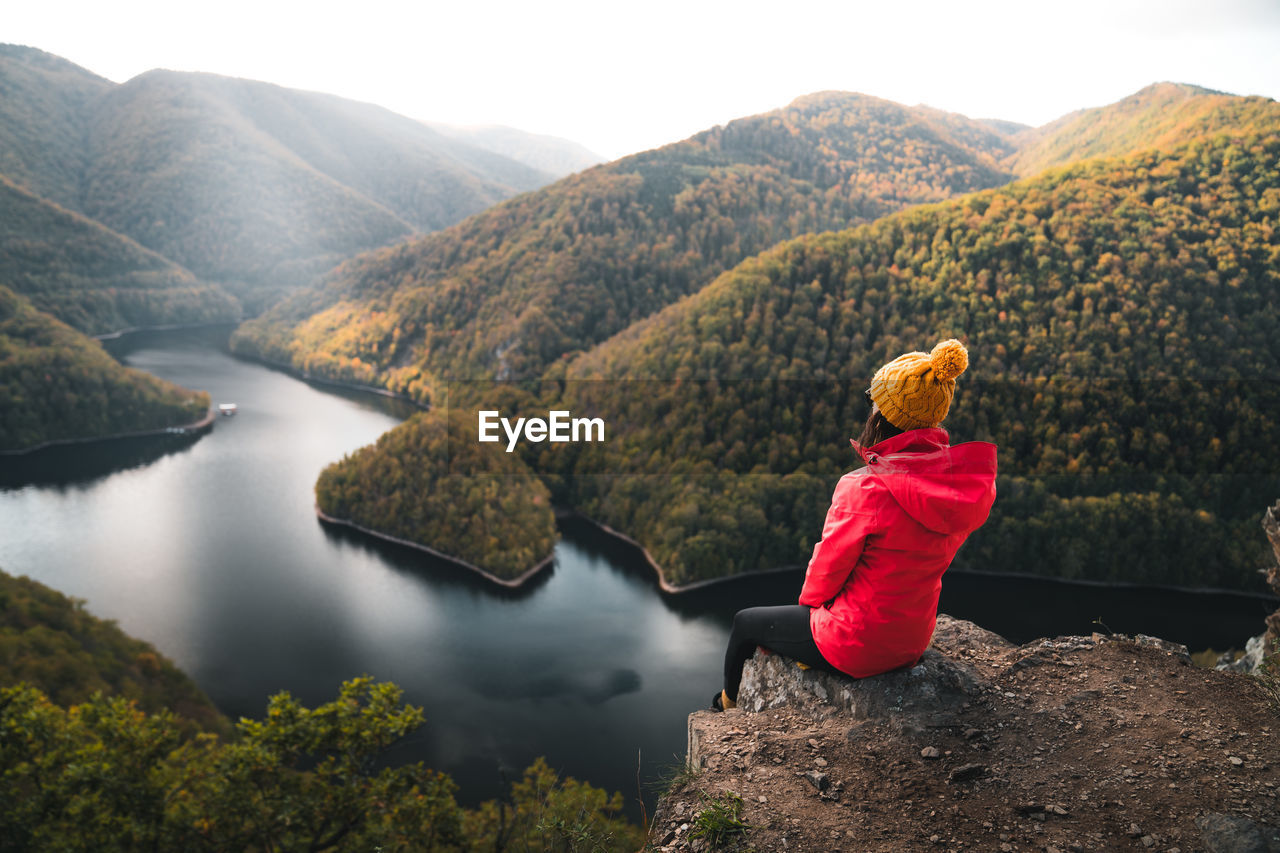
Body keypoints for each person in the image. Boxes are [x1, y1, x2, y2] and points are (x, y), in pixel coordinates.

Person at [712, 339, 998, 711]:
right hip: (912, 639)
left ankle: (726, 705)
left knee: (745, 623)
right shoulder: (958, 486)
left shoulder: (865, 487)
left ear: (884, 414)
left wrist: (810, 617)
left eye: (873, 399)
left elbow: (828, 569)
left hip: (856, 644)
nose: (870, 406)